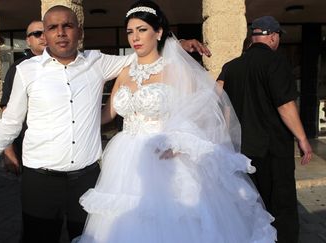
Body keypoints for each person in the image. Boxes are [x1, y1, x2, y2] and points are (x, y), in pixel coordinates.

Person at [0, 5, 210, 242]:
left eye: (67, 26)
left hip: (88, 179)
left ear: (79, 32)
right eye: (52, 27)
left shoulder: (98, 62)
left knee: (90, 237)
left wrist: (176, 46)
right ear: (45, 34)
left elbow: (142, 56)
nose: (60, 32)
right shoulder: (26, 70)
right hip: (40, 182)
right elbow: (10, 123)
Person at [76, 1, 277, 243]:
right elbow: (108, 114)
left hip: (164, 157)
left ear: (158, 32)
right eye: (130, 31)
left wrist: (180, 143)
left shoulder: (176, 69)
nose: (135, 38)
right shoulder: (125, 72)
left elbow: (202, 113)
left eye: (142, 30)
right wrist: (73, 122)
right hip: (124, 159)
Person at [217, 16, 312, 243]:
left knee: (251, 205)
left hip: (243, 151)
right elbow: (285, 106)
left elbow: (215, 100)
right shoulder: (277, 63)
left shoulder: (231, 67)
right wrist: (302, 138)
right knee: (281, 206)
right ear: (272, 36)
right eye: (277, 36)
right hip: (274, 150)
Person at [0, 20, 46, 174]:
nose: (43, 37)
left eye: (46, 32)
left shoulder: (63, 64)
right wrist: (8, 151)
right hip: (28, 145)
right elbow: (7, 111)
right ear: (28, 40)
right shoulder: (18, 69)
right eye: (37, 34)